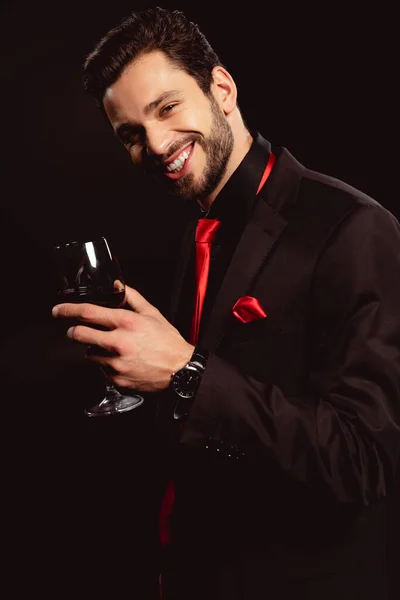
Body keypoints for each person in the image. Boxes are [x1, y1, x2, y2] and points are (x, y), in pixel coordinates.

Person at [51, 6, 400, 599]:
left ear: (221, 88)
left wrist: (185, 374)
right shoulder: (196, 229)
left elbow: (363, 462)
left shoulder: (355, 228)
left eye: (167, 107)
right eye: (131, 134)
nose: (156, 145)